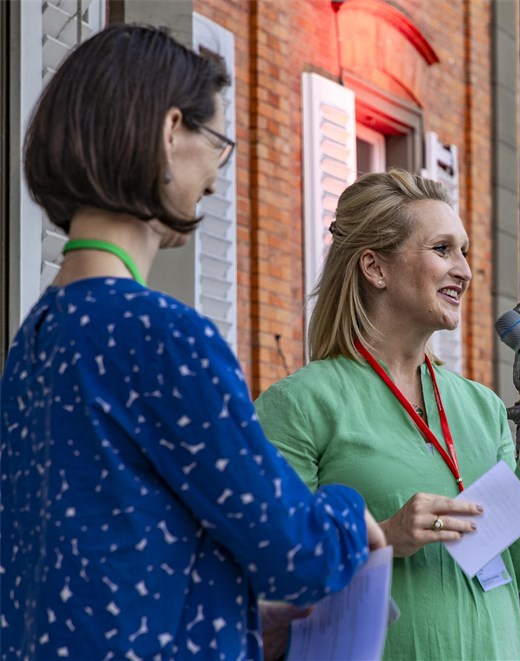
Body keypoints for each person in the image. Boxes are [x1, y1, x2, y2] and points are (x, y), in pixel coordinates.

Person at [0, 24, 385, 660]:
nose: (215, 172)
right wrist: (348, 515)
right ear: (169, 131)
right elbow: (295, 551)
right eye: (218, 142)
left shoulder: (38, 337)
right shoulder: (163, 335)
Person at [254, 169, 520, 660]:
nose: (464, 270)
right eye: (442, 250)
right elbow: (269, 574)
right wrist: (385, 538)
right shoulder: (299, 405)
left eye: (465, 252)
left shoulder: (480, 407)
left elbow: (512, 562)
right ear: (375, 268)